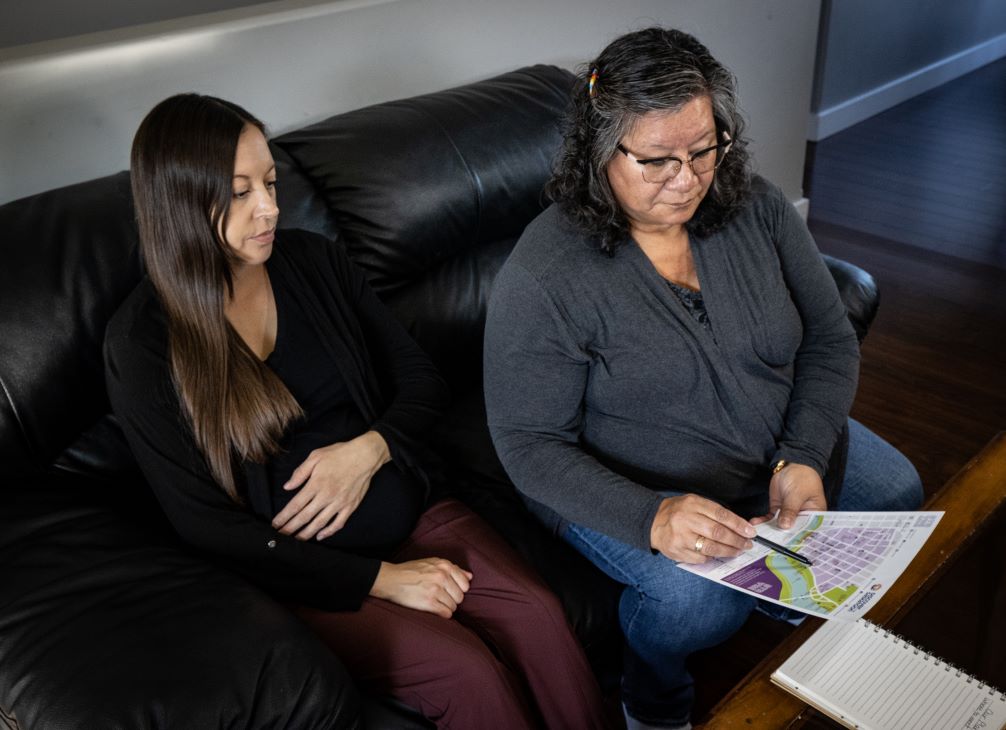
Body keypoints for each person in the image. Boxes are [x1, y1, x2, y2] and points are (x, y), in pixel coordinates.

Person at [104, 93, 609, 730]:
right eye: (238, 192)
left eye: (269, 182)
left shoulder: (312, 261)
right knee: (467, 675)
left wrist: (368, 450)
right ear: (179, 199)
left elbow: (421, 379)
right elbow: (204, 526)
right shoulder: (143, 344)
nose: (269, 208)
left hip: (413, 505)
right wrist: (380, 580)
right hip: (312, 577)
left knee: (537, 615)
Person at [483, 27, 923, 730]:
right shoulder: (544, 275)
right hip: (633, 480)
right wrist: (651, 516)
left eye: (703, 149)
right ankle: (651, 695)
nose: (687, 180)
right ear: (600, 155)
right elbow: (528, 444)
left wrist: (804, 452)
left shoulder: (759, 209)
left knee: (898, 489)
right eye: (657, 160)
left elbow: (831, 339)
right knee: (696, 604)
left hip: (774, 446)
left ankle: (789, 602)